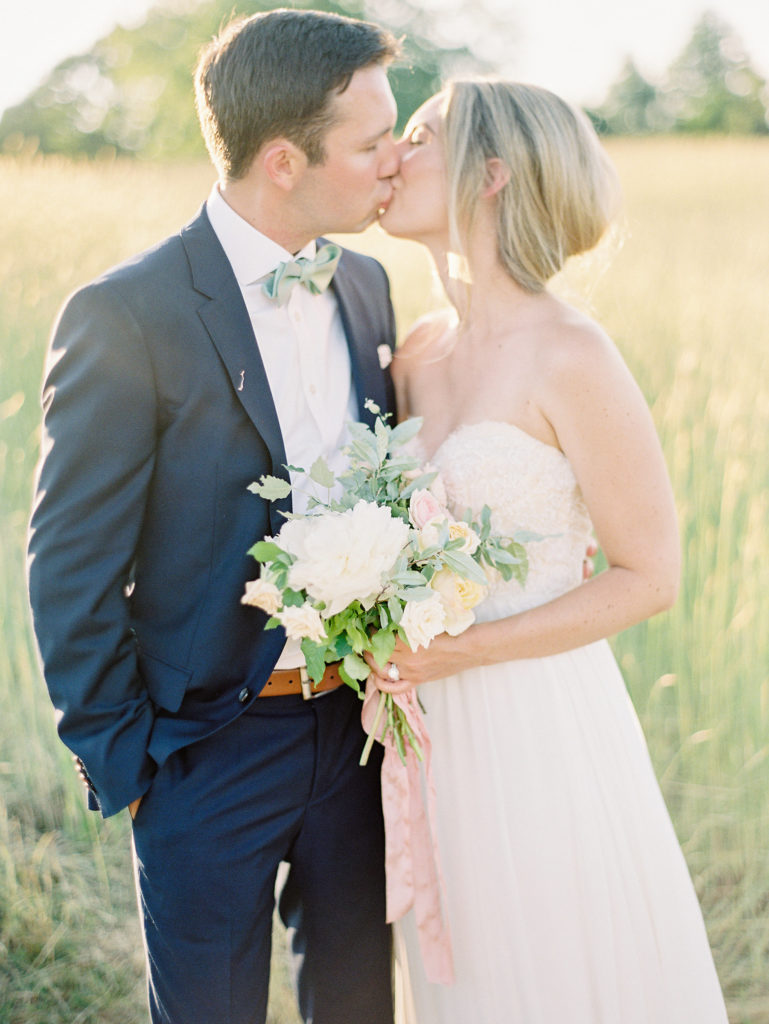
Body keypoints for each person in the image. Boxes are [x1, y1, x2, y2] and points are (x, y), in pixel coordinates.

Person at [27, 10, 401, 1024]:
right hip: (202, 752)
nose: (395, 158)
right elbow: (68, 568)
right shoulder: (126, 312)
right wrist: (133, 766)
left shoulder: (366, 286)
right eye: (372, 142)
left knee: (363, 1004)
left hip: (357, 737)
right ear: (284, 160)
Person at [371, 80, 729, 1023]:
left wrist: (463, 652)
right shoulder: (411, 352)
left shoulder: (571, 353)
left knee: (551, 969)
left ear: (489, 175)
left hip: (536, 721)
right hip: (425, 733)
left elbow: (650, 575)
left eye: (419, 134)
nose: (391, 154)